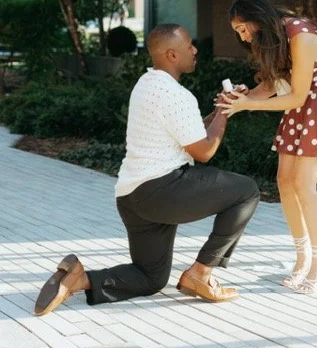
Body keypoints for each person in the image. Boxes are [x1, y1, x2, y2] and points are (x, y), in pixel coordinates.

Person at [34, 24, 259, 316]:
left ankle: (79, 279)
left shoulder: (146, 84)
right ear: (171, 54)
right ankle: (201, 273)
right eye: (189, 45)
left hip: (131, 197)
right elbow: (204, 151)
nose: (195, 50)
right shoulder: (176, 95)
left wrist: (220, 109)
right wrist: (226, 114)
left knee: (151, 276)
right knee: (246, 191)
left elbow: (190, 136)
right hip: (162, 190)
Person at [217, 0, 317, 295]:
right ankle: (302, 258)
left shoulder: (301, 36)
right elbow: (272, 86)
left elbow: (295, 96)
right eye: (238, 31)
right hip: (305, 102)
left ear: (258, 18)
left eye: (243, 28)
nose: (242, 36)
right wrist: (243, 98)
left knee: (303, 183)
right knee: (285, 181)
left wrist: (249, 106)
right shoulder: (274, 38)